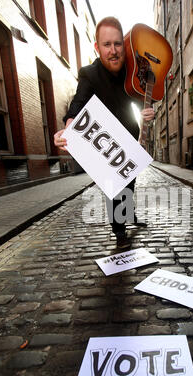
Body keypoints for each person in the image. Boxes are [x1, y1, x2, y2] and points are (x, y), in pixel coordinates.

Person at [54, 16, 154, 248]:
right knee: (114, 183)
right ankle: (119, 230)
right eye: (107, 45)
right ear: (97, 47)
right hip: (106, 138)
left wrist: (148, 110)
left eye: (117, 44)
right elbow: (78, 102)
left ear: (124, 44)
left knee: (129, 181)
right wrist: (70, 123)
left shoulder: (133, 68)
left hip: (129, 132)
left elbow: (143, 96)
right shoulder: (89, 74)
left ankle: (129, 214)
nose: (113, 50)